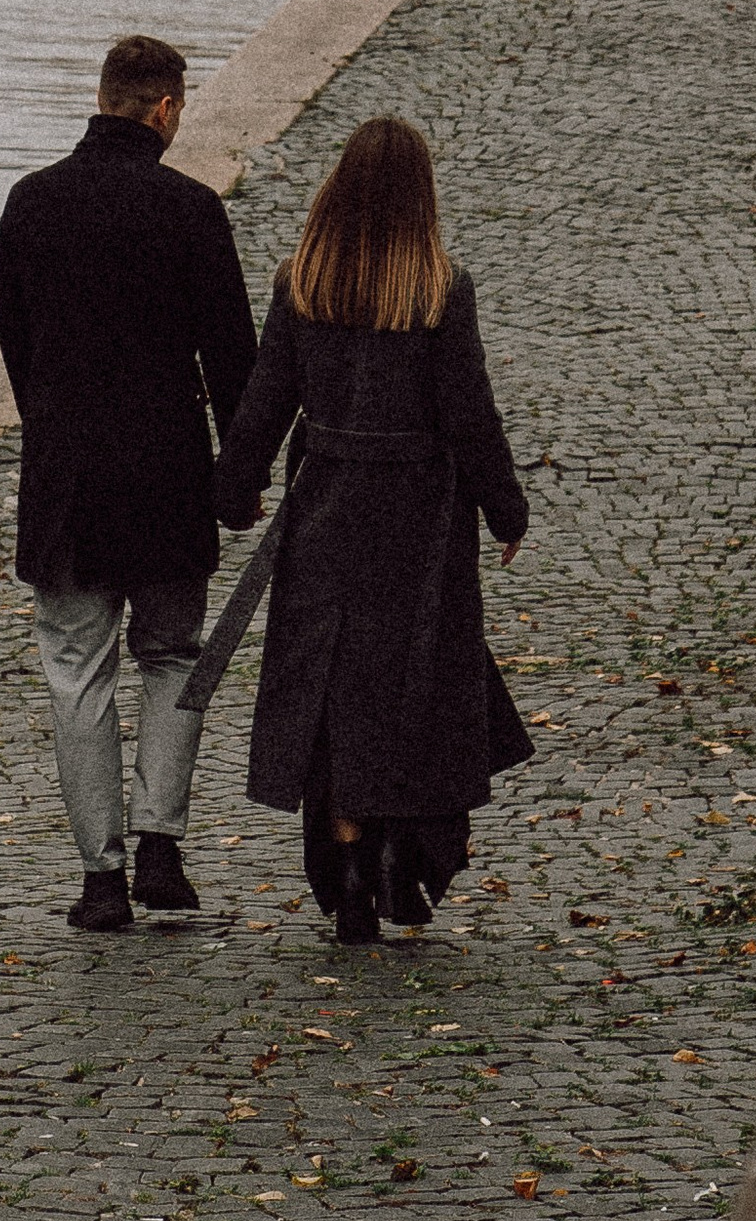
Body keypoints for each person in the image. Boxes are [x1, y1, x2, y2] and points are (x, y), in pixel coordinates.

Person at [203, 117, 531, 945]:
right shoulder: (439, 290)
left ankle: (347, 863)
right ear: (422, 196)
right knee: (410, 685)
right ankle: (394, 853)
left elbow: (264, 407)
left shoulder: (300, 284)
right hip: (419, 524)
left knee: (334, 690)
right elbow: (469, 414)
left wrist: (234, 491)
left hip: (326, 514)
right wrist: (506, 508)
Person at [0, 34, 259, 934]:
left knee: (78, 671)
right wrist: (242, 475)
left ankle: (100, 879)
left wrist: (58, 434)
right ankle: (161, 844)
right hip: (168, 472)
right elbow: (234, 360)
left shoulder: (29, 204)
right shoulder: (191, 209)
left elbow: (17, 349)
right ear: (166, 109)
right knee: (173, 656)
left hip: (68, 479)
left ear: (103, 97)